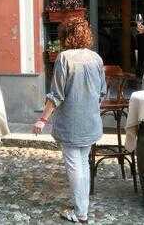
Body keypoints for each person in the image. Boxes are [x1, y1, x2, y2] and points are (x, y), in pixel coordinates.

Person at [32, 18, 106, 224]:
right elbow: (102, 92)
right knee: (83, 163)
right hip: (90, 122)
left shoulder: (64, 58)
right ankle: (82, 208)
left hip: (71, 123)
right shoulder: (96, 58)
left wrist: (43, 119)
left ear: (66, 36)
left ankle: (81, 213)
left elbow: (56, 94)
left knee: (75, 165)